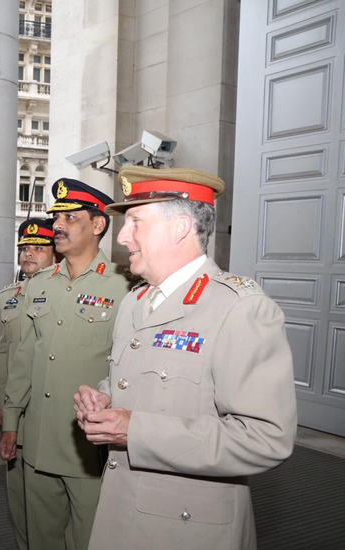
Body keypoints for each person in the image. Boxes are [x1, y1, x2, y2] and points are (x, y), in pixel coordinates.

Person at [74, 166, 297, 550]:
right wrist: (105, 398)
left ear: (179, 227)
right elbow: (133, 381)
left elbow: (266, 438)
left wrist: (135, 432)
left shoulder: (239, 308)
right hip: (121, 510)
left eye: (135, 223)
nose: (123, 237)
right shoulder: (136, 301)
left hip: (187, 527)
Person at [0, 178, 130, 550]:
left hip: (89, 446)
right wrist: (11, 421)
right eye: (56, 218)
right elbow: (24, 357)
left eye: (70, 218)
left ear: (98, 225)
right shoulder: (39, 284)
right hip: (37, 441)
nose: (57, 226)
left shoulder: (124, 288)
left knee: (91, 539)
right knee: (41, 539)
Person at [0, 218, 57, 550]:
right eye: (25, 248)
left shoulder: (63, 293)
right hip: (18, 412)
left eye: (38, 248)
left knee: (50, 501)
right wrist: (3, 405)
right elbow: (1, 354)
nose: (29, 254)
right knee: (17, 494)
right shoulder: (8, 297)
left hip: (54, 413)